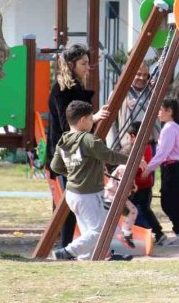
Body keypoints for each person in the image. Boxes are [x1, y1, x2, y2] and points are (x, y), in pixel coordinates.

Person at [50, 100, 131, 261]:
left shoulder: (64, 140)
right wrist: (131, 159)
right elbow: (109, 156)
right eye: (90, 119)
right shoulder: (88, 139)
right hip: (88, 194)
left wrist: (74, 172)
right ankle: (67, 252)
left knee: (89, 229)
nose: (92, 122)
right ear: (83, 120)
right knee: (99, 231)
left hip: (72, 193)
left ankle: (92, 256)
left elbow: (55, 166)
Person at [46, 43, 109, 248]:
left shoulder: (74, 87)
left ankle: (74, 245)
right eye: (83, 63)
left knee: (71, 202)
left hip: (72, 151)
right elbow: (68, 126)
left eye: (88, 62)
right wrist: (94, 117)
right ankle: (67, 246)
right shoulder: (63, 90)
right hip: (67, 153)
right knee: (69, 202)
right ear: (71, 65)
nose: (87, 67)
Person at [141, 98, 179, 246]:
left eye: (160, 110)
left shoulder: (169, 128)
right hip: (173, 168)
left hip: (171, 167)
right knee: (171, 203)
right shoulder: (175, 127)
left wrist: (148, 169)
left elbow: (162, 153)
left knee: (168, 204)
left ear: (169, 111)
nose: (158, 113)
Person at [126, 121, 165, 245]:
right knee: (145, 210)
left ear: (133, 136)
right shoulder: (147, 147)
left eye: (128, 137)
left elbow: (139, 168)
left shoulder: (139, 149)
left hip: (138, 186)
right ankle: (158, 232)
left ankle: (137, 233)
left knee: (131, 210)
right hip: (146, 185)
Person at [108, 63, 153, 150]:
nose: (142, 78)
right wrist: (113, 148)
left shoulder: (152, 92)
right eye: (138, 74)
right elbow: (110, 122)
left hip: (148, 144)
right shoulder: (118, 94)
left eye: (145, 75)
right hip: (126, 146)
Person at [103, 162, 139, 249]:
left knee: (130, 212)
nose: (144, 159)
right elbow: (122, 184)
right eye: (142, 157)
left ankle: (125, 233)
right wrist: (133, 188)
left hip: (116, 195)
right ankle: (125, 234)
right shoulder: (124, 167)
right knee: (132, 211)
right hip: (113, 196)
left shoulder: (128, 167)